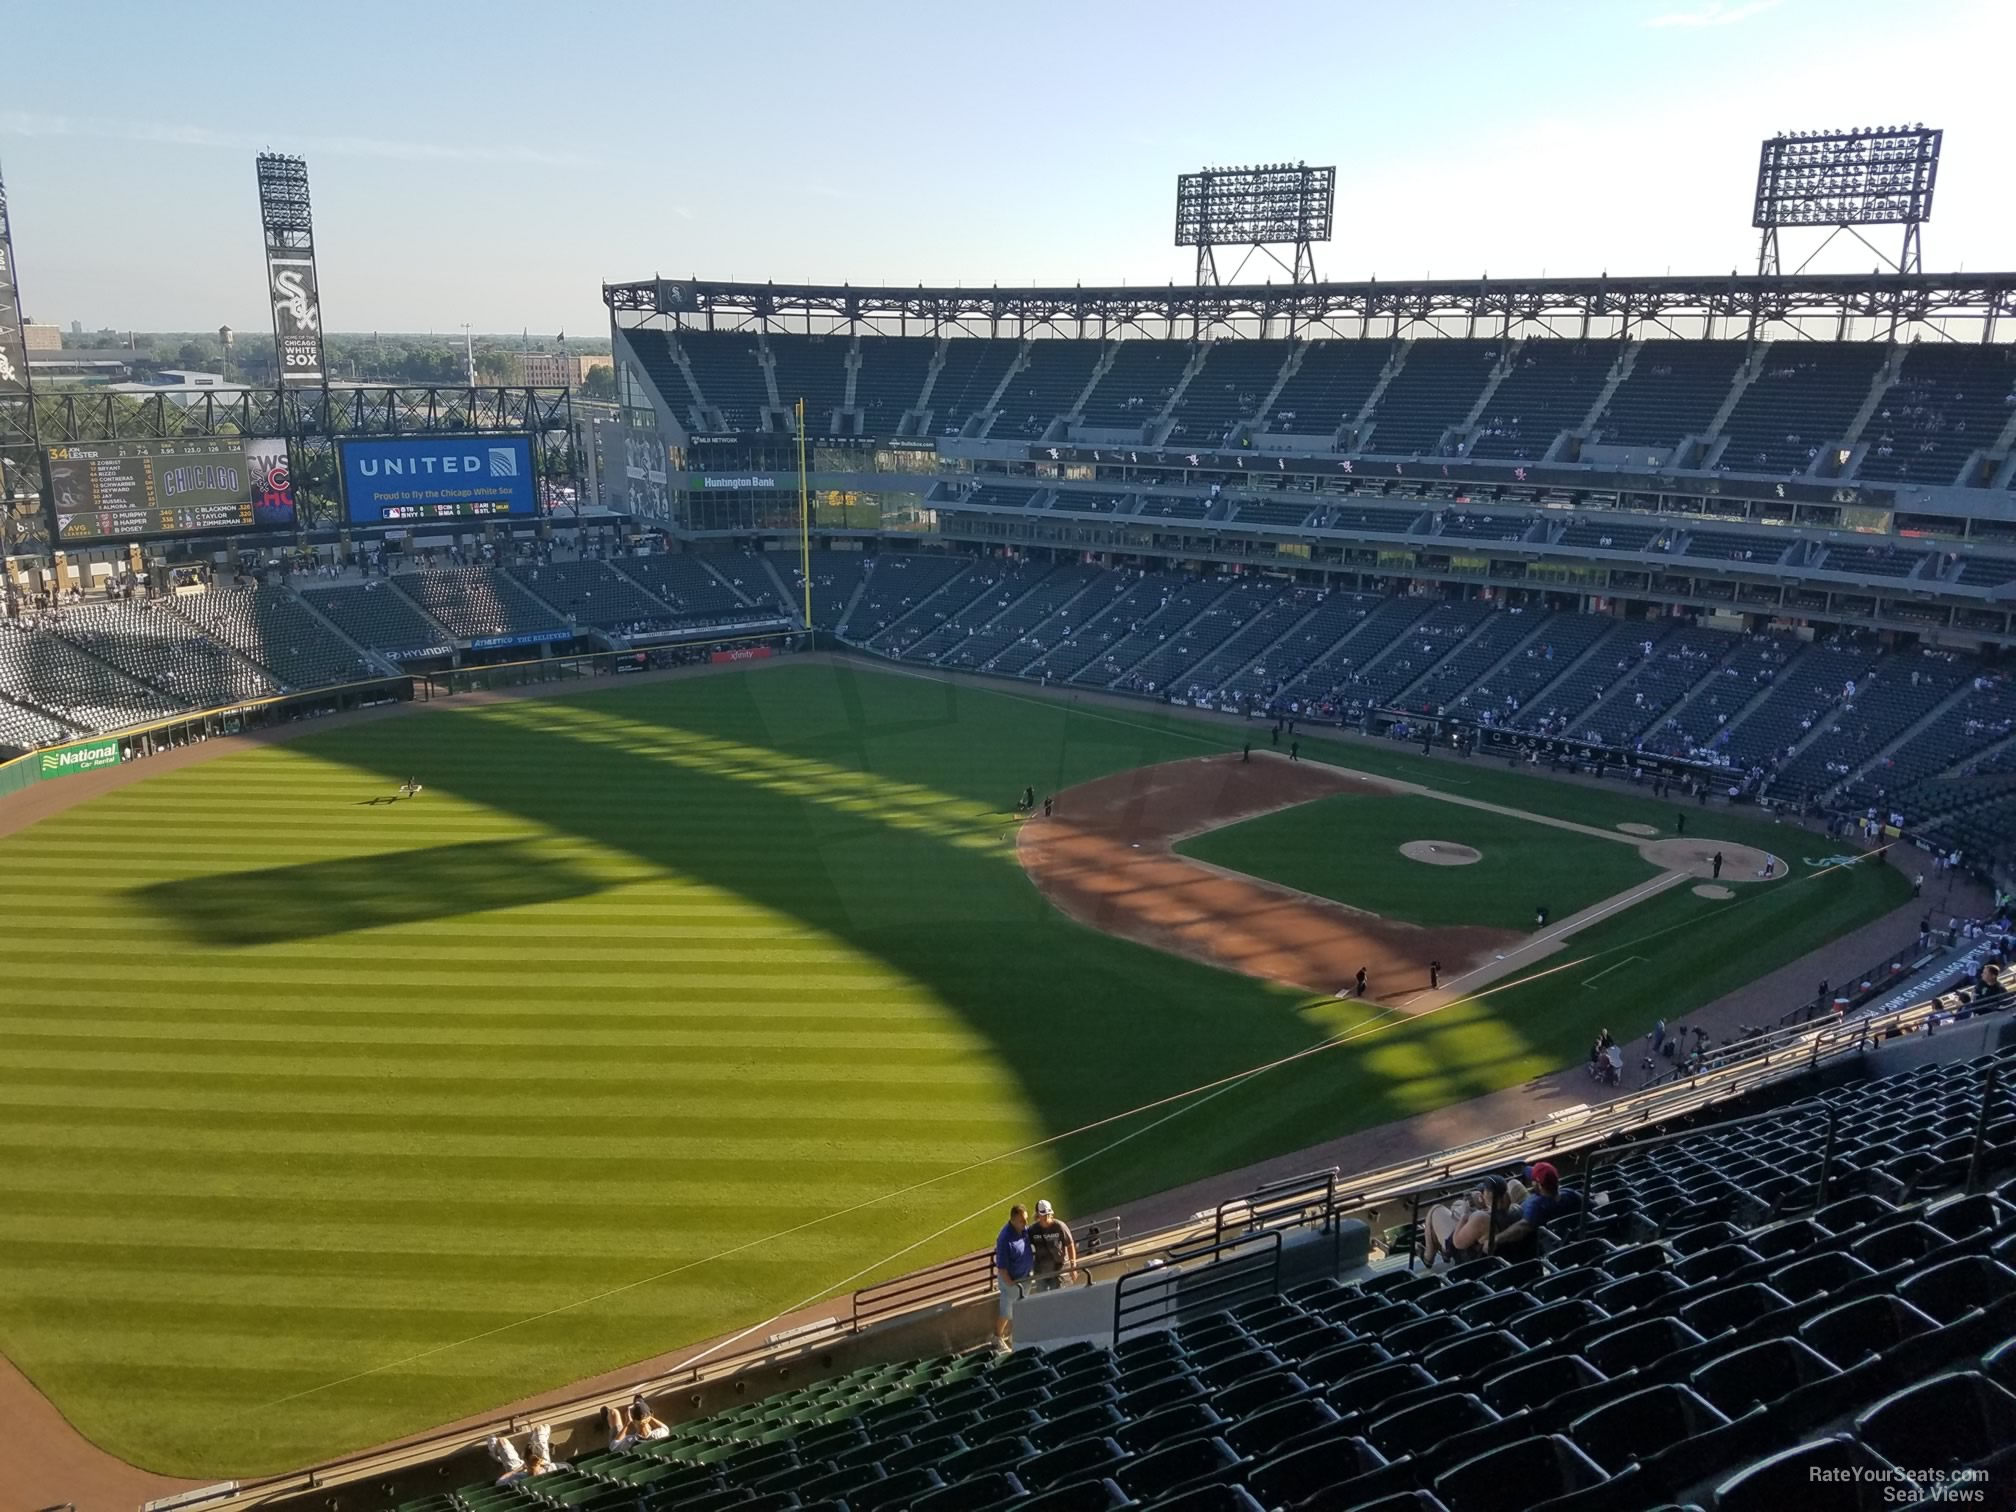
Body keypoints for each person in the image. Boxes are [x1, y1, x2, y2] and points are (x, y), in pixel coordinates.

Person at [1421, 1174, 1517, 1266]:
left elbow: (1457, 1243)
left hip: (1471, 1260)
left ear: (1488, 1193)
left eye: (1484, 1190)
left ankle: (1428, 1256)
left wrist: (1465, 1216)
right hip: (1496, 1254)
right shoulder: (1513, 1209)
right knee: (1457, 1204)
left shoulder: (1481, 1218)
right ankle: (1444, 1252)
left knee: (1436, 1210)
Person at [1495, 1162, 1584, 1255]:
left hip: (1518, 1215)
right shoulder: (1570, 1193)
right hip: (1563, 1231)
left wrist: (1497, 1238)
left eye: (1533, 1179)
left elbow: (1522, 1227)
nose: (1531, 1181)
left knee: (1502, 1193)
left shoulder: (1537, 1206)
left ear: (1540, 1186)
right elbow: (1592, 1205)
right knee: (1513, 1183)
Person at [992, 1203, 1035, 1353]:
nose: (1025, 1223)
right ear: (1013, 1219)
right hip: (1012, 1281)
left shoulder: (1023, 1230)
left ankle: (1013, 1335)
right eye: (1022, 1220)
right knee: (1007, 1313)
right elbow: (1002, 1266)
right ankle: (997, 1337)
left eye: (1026, 1220)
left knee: (1021, 1308)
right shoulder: (1005, 1238)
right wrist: (1011, 1284)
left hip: (1025, 1279)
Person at [1027, 1199, 1077, 1292]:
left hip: (1058, 1270)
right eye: (1043, 1214)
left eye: (1047, 1214)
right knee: (1042, 1298)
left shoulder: (1059, 1226)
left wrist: (1073, 1267)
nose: (1046, 1217)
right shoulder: (1033, 1230)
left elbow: (1070, 1245)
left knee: (1059, 1296)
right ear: (1038, 1214)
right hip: (1041, 1271)